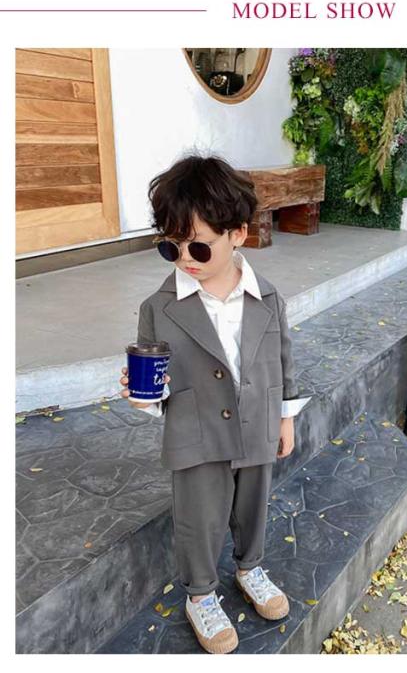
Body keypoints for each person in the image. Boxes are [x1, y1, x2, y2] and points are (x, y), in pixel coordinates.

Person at [119, 153, 310, 654]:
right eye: (171, 245)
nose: (185, 257)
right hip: (195, 430)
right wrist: (142, 395)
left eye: (199, 245)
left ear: (238, 235)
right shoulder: (158, 307)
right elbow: (154, 376)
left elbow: (282, 361)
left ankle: (250, 566)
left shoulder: (267, 298)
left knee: (253, 504)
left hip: (256, 422)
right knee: (198, 518)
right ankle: (200, 594)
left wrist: (285, 418)